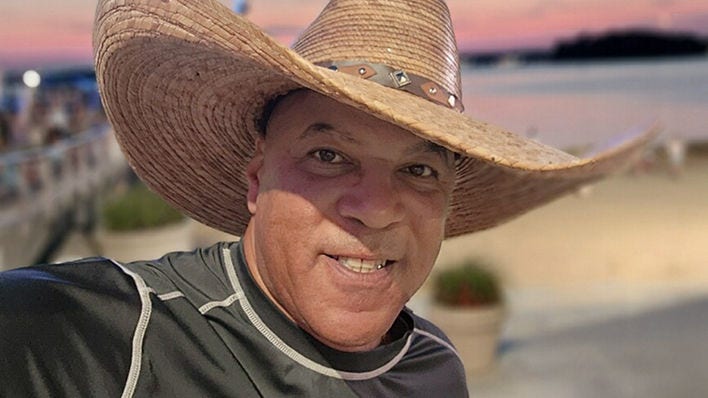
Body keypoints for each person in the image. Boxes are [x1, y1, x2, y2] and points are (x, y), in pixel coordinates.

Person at [0, 0, 655, 396]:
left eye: (421, 170)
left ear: (450, 203)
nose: (375, 206)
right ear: (254, 180)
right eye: (329, 155)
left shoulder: (433, 369)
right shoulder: (110, 337)